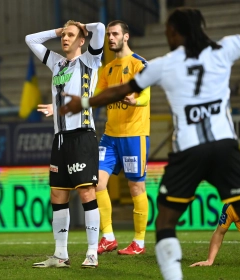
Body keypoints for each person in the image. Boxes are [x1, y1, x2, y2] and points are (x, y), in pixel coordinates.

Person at [60, 7, 240, 280]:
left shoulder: (165, 63)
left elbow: (121, 90)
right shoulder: (225, 48)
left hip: (189, 152)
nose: (166, 35)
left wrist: (84, 102)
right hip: (224, 149)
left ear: (176, 33)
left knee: (165, 222)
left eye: (168, 31)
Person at [25, 20, 105, 268]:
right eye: (64, 35)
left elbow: (100, 28)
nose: (65, 38)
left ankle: (92, 252)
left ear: (82, 40)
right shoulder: (57, 62)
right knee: (57, 194)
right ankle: (60, 254)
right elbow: (30, 39)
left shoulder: (90, 61)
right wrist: (57, 30)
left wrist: (81, 25)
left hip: (81, 135)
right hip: (59, 138)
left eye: (71, 35)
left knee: (86, 192)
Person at [95, 20, 150, 255]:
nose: (110, 38)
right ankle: (108, 236)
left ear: (126, 37)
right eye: (108, 34)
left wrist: (135, 101)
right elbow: (97, 97)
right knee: (96, 182)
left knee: (136, 186)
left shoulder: (140, 64)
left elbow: (147, 95)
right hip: (110, 135)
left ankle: (139, 242)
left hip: (133, 135)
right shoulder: (107, 69)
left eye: (115, 34)